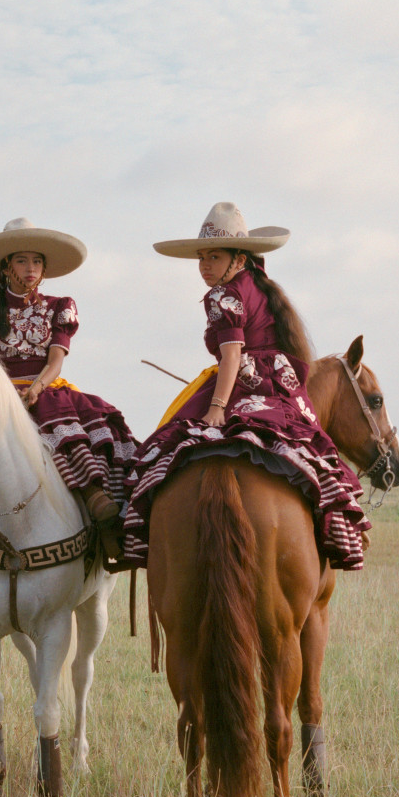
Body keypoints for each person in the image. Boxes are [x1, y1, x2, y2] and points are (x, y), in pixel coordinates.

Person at [123, 202, 369, 569]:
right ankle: (342, 527)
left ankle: (135, 534)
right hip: (283, 385)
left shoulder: (224, 296)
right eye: (201, 257)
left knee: (164, 448)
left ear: (238, 257)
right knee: (308, 446)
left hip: (243, 382)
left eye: (214, 256)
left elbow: (233, 357)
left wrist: (218, 406)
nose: (205, 265)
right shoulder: (259, 284)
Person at [0, 218, 138, 551]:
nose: (31, 268)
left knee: (63, 424)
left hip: (43, 387)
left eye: (37, 261)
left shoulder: (59, 307)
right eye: (22, 260)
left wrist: (37, 388)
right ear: (6, 267)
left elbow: (55, 362)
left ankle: (94, 499)